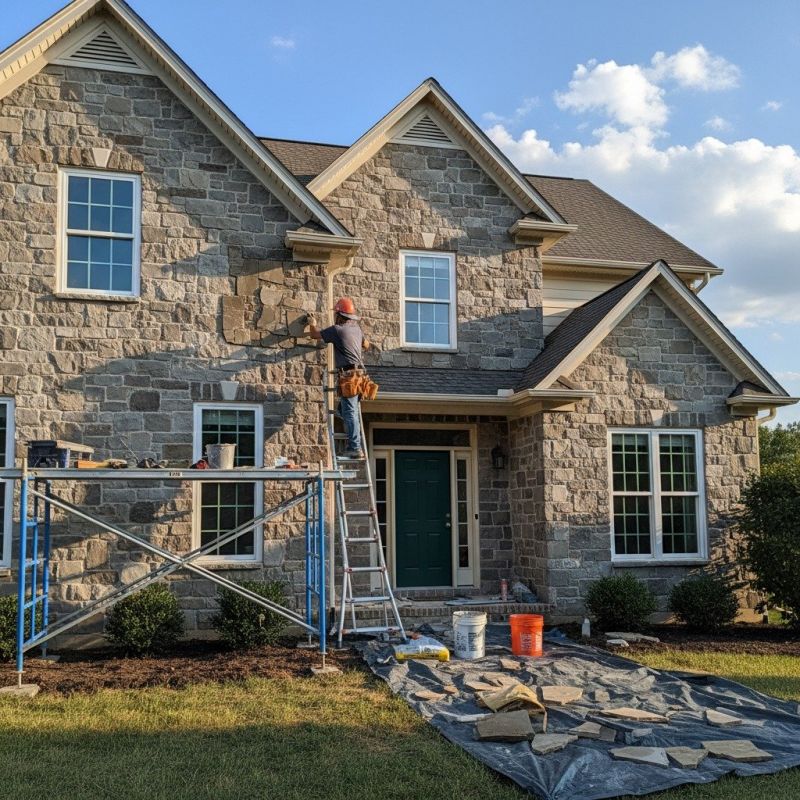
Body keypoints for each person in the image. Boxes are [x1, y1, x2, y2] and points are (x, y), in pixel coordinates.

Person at [307, 298, 371, 459]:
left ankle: (355, 448)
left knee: (349, 413)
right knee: (345, 411)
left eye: (336, 314)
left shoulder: (337, 330)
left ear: (339, 315)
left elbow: (314, 335)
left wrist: (312, 323)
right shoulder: (357, 329)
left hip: (349, 376)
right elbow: (366, 345)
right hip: (359, 376)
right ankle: (353, 444)